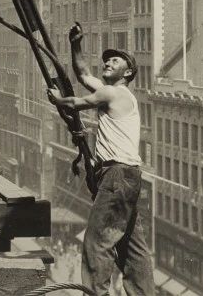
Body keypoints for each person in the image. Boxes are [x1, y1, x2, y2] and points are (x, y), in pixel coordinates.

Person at [47, 23, 154, 296]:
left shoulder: (113, 92)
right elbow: (82, 72)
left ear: (127, 72)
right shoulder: (118, 94)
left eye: (114, 60)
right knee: (132, 246)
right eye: (106, 59)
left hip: (116, 176)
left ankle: (96, 294)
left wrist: (58, 100)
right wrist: (76, 44)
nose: (107, 62)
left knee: (96, 242)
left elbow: (75, 103)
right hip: (130, 177)